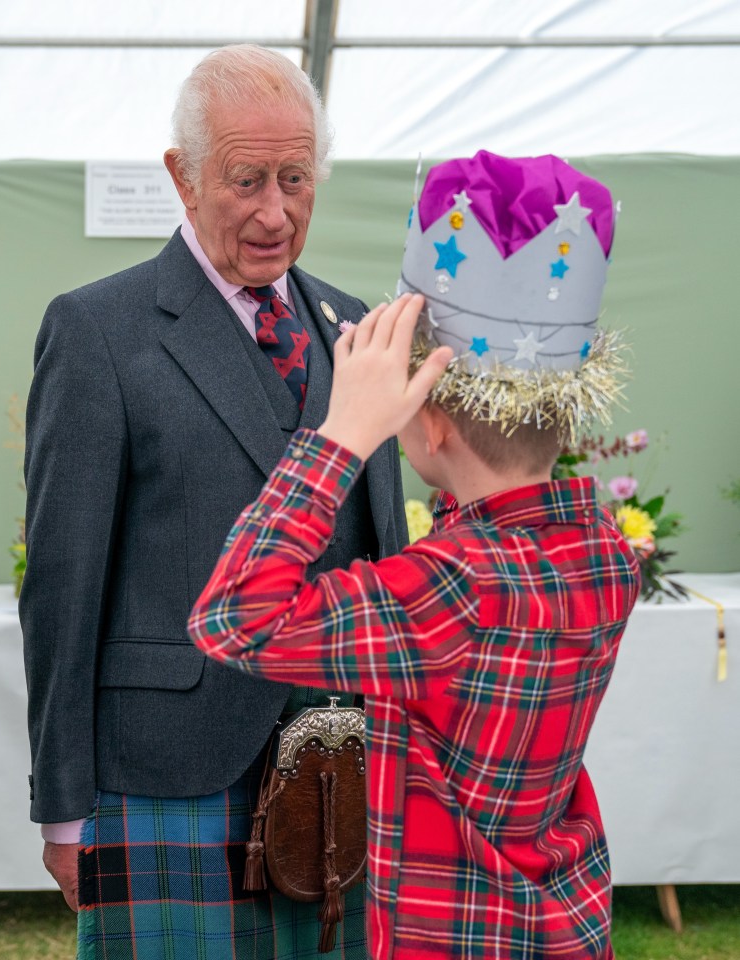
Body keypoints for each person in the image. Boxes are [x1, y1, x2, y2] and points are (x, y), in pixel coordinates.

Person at [188, 151, 641, 959]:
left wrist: (340, 434)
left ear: (427, 423)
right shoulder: (605, 554)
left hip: (456, 936)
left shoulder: (449, 588)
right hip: (565, 923)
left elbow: (232, 619)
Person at [20, 45, 407, 959]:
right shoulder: (97, 330)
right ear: (182, 178)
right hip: (161, 774)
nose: (275, 212)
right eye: (245, 180)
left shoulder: (354, 325)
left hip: (333, 767)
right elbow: (63, 585)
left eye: (295, 179)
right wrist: (64, 808)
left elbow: (381, 553)